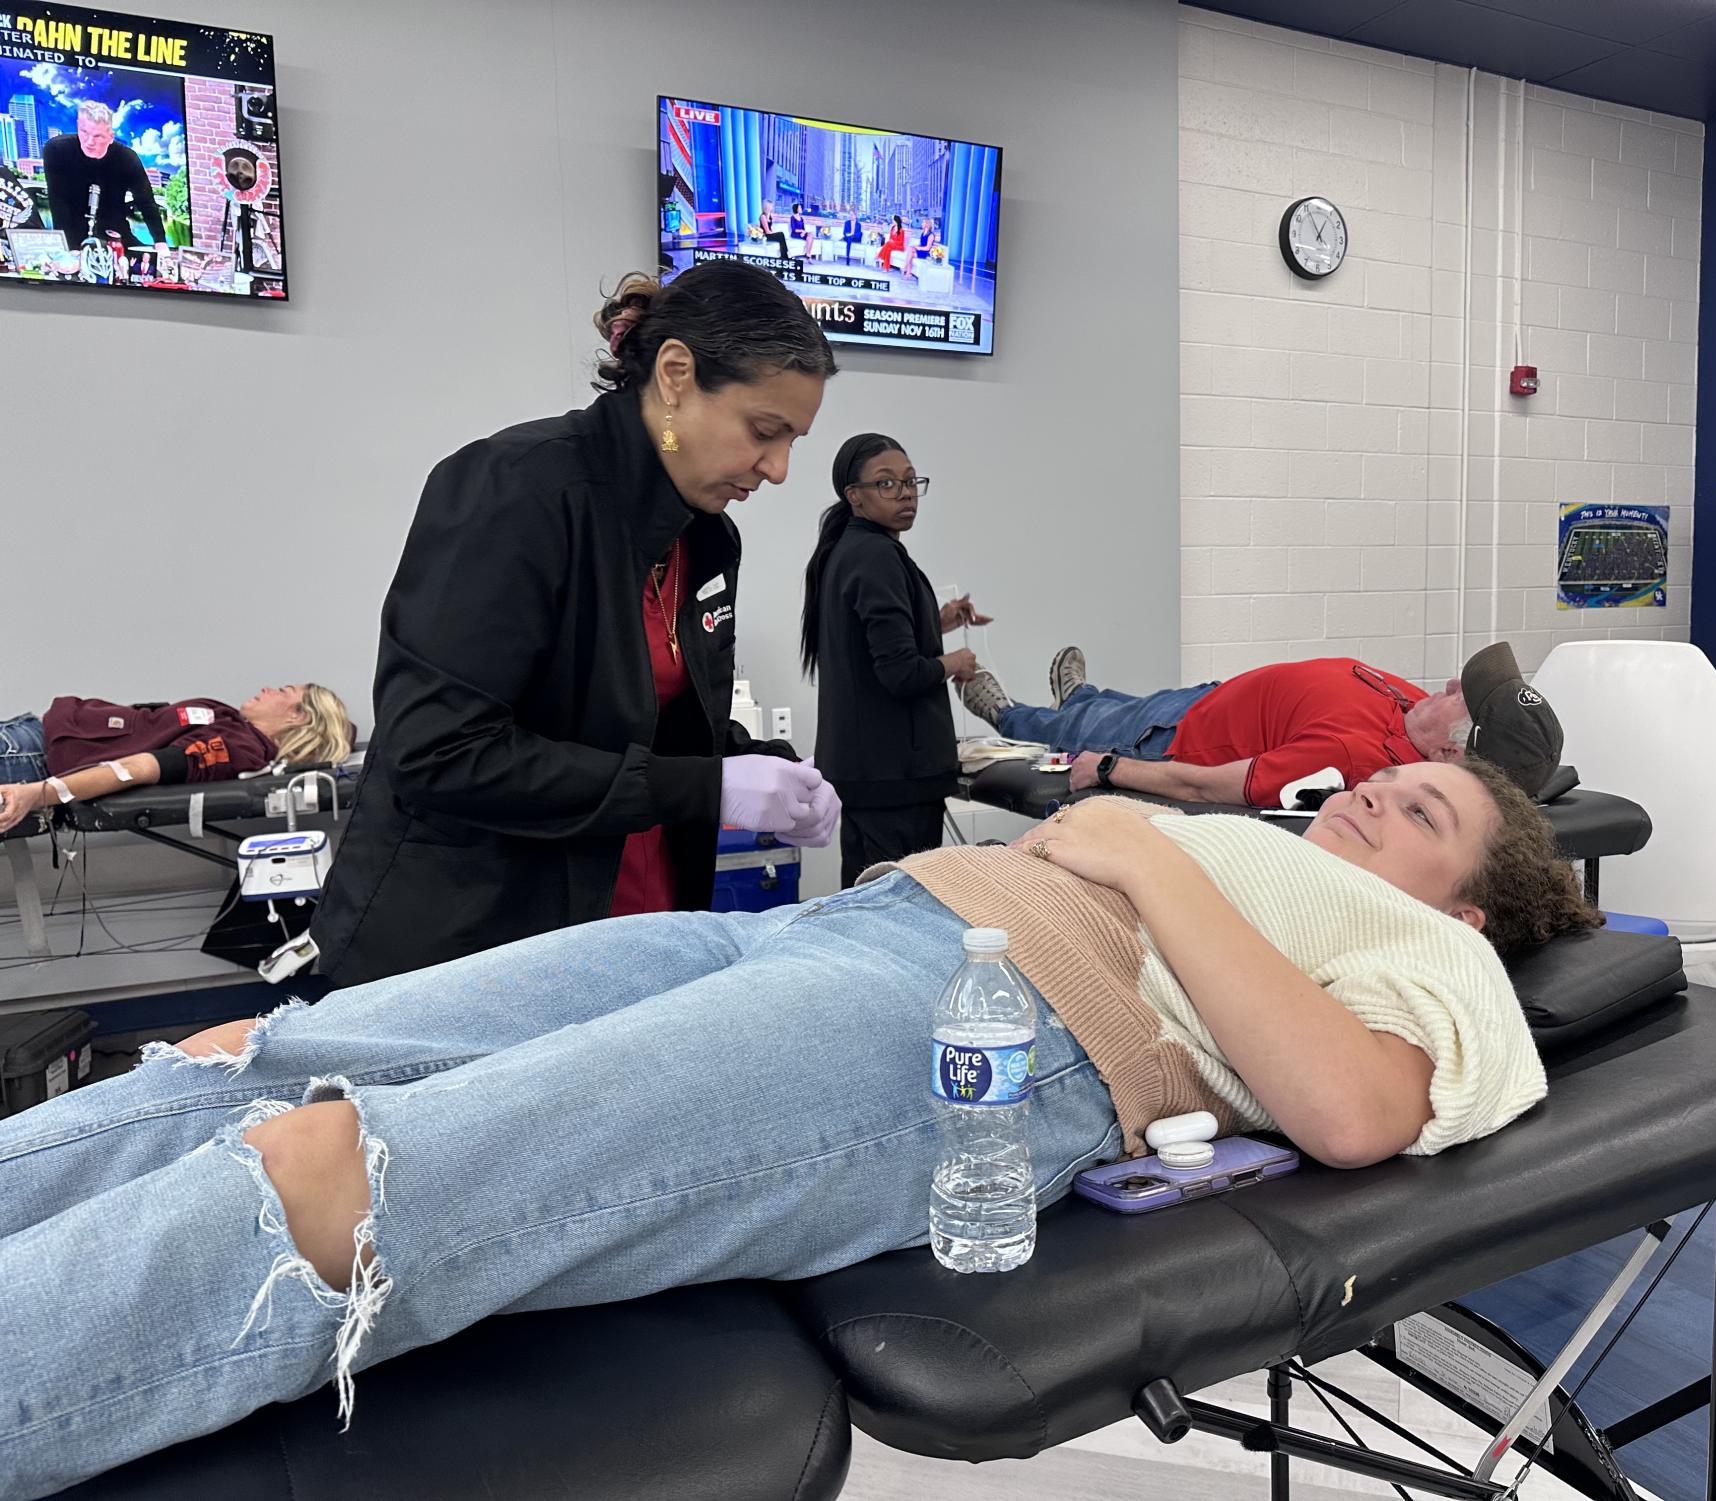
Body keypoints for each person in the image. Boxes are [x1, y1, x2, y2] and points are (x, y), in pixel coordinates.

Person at [0, 754, 1599, 1495]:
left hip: (996, 1028)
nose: (1387, 789)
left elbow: (1351, 1110)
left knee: (354, 1181)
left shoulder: (1443, 964)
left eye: (1430, 810)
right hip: (826, 932)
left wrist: (1146, 854)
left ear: (1477, 896)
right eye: (1393, 774)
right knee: (247, 1061)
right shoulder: (1276, 839)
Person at [308, 261, 840, 987]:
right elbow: (438, 751)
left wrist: (768, 766)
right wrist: (709, 787)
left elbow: (653, 725)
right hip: (477, 942)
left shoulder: (706, 537)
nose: (776, 469)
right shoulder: (516, 491)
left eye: (792, 443)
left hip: (636, 924)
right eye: (764, 431)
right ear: (676, 374)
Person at [961, 640, 1563, 806]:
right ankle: (1082, 698)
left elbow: (1211, 786)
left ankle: (1009, 712)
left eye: (1466, 697)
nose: (1455, 683)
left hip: (1181, 736)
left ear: (1456, 755)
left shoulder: (1355, 766)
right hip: (1221, 698)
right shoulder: (1418, 714)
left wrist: (1115, 769)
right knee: (1115, 704)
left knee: (1093, 729)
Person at [802, 433, 990, 886]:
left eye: (910, 481)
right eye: (886, 484)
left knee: (867, 904)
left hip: (871, 774)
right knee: (893, 914)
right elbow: (901, 673)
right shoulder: (876, 556)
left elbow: (870, 644)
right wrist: (957, 661)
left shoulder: (850, 549)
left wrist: (937, 621)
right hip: (894, 779)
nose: (905, 492)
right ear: (855, 497)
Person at [0, 685, 353, 835]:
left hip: (28, 760)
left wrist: (39, 793)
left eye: (283, 691)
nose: (268, 689)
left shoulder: (236, 747)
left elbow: (137, 769)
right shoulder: (233, 725)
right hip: (25, 738)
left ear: (298, 717)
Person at [40, 100, 168, 252]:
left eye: (98, 136)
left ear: (111, 136)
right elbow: (58, 203)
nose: (89, 142)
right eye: (84, 132)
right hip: (73, 237)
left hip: (116, 236)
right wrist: (70, 251)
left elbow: (146, 203)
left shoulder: (127, 158)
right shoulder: (57, 149)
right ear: (78, 126)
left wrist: (161, 242)